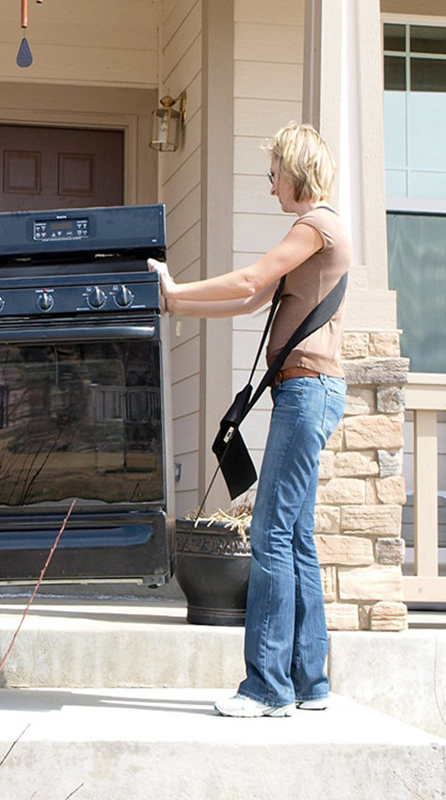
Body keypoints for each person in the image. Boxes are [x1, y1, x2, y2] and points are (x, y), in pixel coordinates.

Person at [148, 122, 350, 717]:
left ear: (294, 169)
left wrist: (177, 285)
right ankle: (310, 682)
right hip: (311, 392)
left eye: (272, 175)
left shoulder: (315, 226)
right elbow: (247, 300)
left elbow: (248, 279)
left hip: (307, 392)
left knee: (268, 534)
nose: (269, 188)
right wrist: (174, 299)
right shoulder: (315, 234)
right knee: (297, 537)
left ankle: (267, 687)